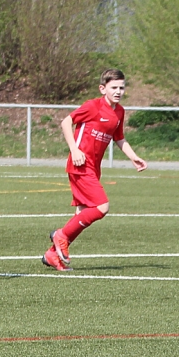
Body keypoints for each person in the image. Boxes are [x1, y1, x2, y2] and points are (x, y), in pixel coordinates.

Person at [42, 69, 147, 271]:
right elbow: (66, 122)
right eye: (113, 87)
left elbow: (119, 138)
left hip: (94, 168)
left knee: (82, 214)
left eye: (121, 87)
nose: (118, 91)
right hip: (80, 165)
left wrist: (133, 157)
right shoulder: (92, 106)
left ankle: (52, 255)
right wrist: (74, 150)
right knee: (102, 207)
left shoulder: (119, 112)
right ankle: (60, 235)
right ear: (102, 88)